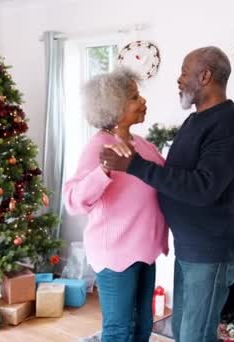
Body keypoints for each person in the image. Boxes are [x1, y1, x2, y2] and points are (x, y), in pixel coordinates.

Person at [100, 46, 234, 342]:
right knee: (183, 330)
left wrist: (135, 166)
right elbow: (177, 176)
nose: (179, 80)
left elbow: (204, 187)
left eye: (184, 72)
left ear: (205, 76)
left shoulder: (228, 123)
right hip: (190, 246)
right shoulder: (196, 120)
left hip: (211, 250)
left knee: (195, 335)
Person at [62, 68, 168, 342]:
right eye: (134, 97)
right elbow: (73, 200)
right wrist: (102, 171)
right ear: (115, 107)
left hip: (146, 249)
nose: (143, 101)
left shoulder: (144, 146)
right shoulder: (98, 146)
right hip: (115, 254)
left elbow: (167, 181)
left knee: (143, 325)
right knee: (119, 330)